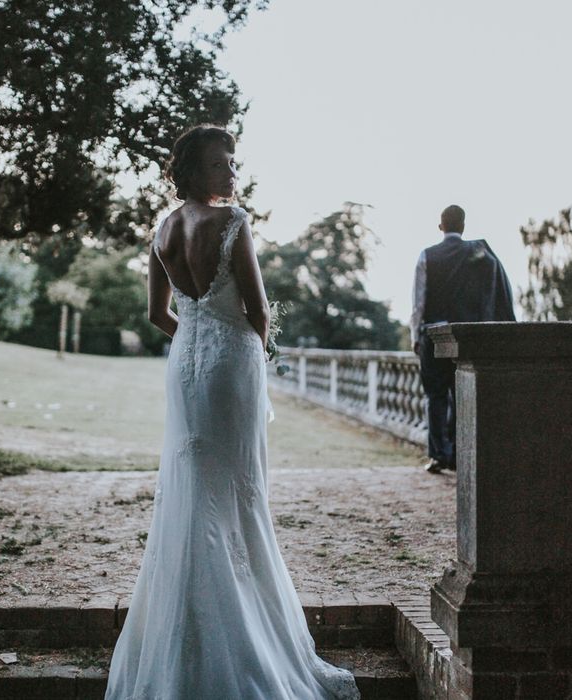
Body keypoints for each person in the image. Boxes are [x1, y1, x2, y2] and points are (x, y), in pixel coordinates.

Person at [105, 125, 360, 700]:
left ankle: (182, 635)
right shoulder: (233, 222)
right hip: (230, 367)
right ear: (193, 174)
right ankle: (242, 638)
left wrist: (196, 335)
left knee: (193, 487)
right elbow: (259, 309)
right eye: (221, 166)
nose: (232, 175)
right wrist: (249, 346)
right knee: (238, 491)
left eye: (233, 165)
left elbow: (156, 314)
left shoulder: (163, 229)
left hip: (186, 366)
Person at [410, 204, 515, 474]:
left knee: (435, 397)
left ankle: (437, 456)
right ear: (463, 226)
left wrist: (415, 336)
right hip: (463, 337)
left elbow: (418, 302)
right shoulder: (478, 255)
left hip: (433, 335)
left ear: (440, 226)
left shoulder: (427, 256)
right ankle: (458, 456)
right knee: (460, 397)